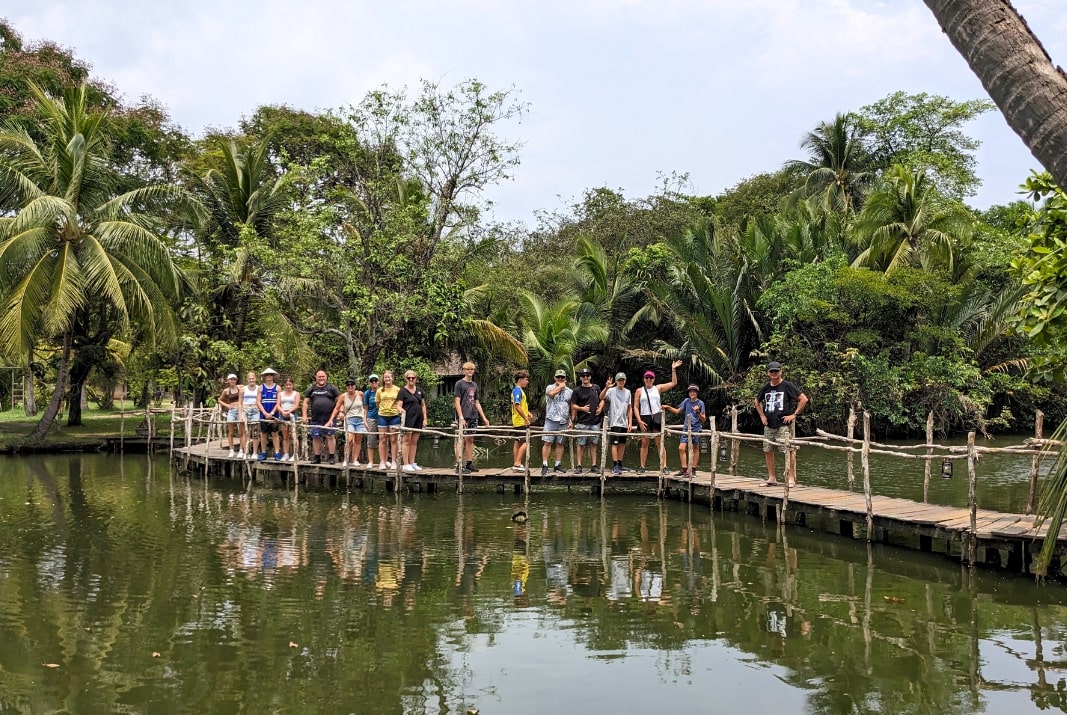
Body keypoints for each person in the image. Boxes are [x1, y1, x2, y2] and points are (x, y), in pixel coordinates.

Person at [755, 361, 808, 487]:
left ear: (781, 372)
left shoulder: (787, 385)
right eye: (772, 371)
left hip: (783, 424)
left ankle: (790, 478)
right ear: (768, 373)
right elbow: (757, 401)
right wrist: (762, 415)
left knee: (787, 450)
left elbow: (803, 399)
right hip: (769, 424)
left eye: (776, 371)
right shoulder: (766, 388)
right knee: (767, 450)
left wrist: (794, 414)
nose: (774, 374)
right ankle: (772, 477)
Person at [634, 360, 682, 474]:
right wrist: (639, 421)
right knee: (645, 442)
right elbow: (635, 407)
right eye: (647, 378)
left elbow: (673, 383)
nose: (649, 380)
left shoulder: (658, 388)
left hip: (656, 416)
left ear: (654, 379)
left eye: (651, 378)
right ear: (644, 379)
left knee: (659, 442)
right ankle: (642, 466)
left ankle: (664, 466)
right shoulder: (639, 391)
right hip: (644, 417)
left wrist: (673, 369)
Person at [454, 361, 490, 474]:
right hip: (463, 415)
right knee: (461, 440)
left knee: (470, 439)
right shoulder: (459, 384)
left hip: (473, 415)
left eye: (471, 369)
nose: (470, 371)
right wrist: (461, 417)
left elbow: (477, 402)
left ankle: (469, 463)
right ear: (464, 370)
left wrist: (484, 417)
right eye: (467, 369)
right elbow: (457, 401)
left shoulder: (474, 385)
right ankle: (459, 464)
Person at [664, 384, 706, 477]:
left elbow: (703, 419)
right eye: (691, 391)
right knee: (681, 448)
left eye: (694, 391)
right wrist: (668, 407)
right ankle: (684, 469)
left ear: (697, 393)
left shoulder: (700, 403)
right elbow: (678, 411)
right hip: (686, 428)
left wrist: (698, 412)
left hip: (696, 428)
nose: (692, 393)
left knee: (695, 448)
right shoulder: (686, 401)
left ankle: (693, 469)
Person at [302, 369, 340, 464]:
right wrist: (304, 415)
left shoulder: (332, 388)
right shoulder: (311, 389)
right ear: (316, 377)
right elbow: (305, 403)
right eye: (319, 376)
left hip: (330, 418)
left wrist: (341, 412)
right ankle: (317, 457)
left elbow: (340, 401)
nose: (321, 378)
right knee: (316, 436)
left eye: (323, 376)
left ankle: (331, 457)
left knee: (330, 436)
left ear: (326, 377)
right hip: (316, 418)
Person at [569, 367, 603, 474]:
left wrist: (600, 408)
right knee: (581, 443)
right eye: (583, 376)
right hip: (582, 421)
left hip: (595, 421)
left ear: (590, 377)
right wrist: (582, 409)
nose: (585, 378)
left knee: (594, 443)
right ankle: (579, 465)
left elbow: (602, 399)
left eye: (587, 375)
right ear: (580, 378)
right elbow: (573, 405)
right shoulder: (577, 390)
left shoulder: (596, 388)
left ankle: (594, 465)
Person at [540, 369, 572, 476]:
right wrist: (560, 386)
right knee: (547, 442)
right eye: (558, 377)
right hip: (551, 419)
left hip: (563, 421)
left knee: (560, 443)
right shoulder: (550, 387)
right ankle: (545, 464)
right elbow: (550, 394)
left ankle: (557, 465)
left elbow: (571, 406)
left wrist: (571, 420)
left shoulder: (570, 391)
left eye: (562, 377)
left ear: (565, 379)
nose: (560, 379)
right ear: (555, 378)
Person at [600, 372, 633, 475]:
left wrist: (630, 422)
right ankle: (615, 466)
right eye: (619, 380)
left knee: (622, 444)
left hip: (624, 422)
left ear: (625, 380)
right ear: (616, 381)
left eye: (623, 380)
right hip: (614, 422)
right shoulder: (611, 391)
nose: (621, 382)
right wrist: (606, 387)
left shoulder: (628, 392)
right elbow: (601, 397)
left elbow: (629, 408)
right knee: (615, 444)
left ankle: (620, 463)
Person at [331, 378, 367, 467]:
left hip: (360, 419)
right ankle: (346, 459)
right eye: (348, 385)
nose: (350, 387)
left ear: (355, 386)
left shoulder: (360, 394)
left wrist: (365, 419)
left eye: (352, 385)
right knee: (349, 439)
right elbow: (337, 407)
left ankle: (355, 460)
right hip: (349, 419)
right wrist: (332, 418)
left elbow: (365, 406)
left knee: (358, 440)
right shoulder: (343, 396)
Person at [398, 370, 428, 472]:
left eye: (413, 378)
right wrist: (401, 410)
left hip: (418, 418)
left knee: (414, 442)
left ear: (415, 379)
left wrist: (425, 418)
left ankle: (412, 462)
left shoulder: (419, 390)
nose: (411, 379)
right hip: (408, 419)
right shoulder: (402, 391)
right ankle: (405, 463)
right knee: (406, 441)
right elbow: (398, 405)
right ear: (406, 379)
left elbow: (423, 405)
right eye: (409, 378)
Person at [375, 370, 402, 469]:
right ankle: (382, 461)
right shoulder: (380, 390)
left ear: (392, 378)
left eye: (389, 377)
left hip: (394, 416)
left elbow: (400, 402)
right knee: (382, 439)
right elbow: (377, 403)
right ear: (383, 379)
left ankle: (394, 461)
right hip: (382, 416)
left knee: (394, 439)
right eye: (385, 377)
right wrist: (384, 410)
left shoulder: (397, 389)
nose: (387, 379)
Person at [256, 368, 282, 461]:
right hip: (264, 414)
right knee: (263, 434)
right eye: (267, 375)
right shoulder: (261, 388)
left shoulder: (278, 388)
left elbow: (278, 402)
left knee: (275, 433)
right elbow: (258, 402)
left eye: (271, 375)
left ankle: (277, 453)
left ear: (273, 376)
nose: (269, 377)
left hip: (274, 414)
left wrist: (271, 413)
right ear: (264, 377)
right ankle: (263, 452)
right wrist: (265, 413)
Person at [510, 370, 532, 471]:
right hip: (520, 421)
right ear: (520, 380)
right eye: (526, 379)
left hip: (518, 420)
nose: (527, 382)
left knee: (518, 442)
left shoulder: (519, 391)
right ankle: (518, 463)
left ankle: (516, 463)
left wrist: (527, 413)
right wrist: (526, 418)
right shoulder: (517, 390)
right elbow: (517, 406)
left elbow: (521, 406)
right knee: (526, 441)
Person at [277, 376, 301, 462]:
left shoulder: (296, 393)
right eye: (286, 385)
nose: (288, 386)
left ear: (292, 385)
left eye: (290, 384)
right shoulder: (280, 394)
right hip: (283, 414)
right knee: (285, 436)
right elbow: (278, 405)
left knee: (293, 435)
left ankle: (295, 454)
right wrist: (283, 412)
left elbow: (296, 405)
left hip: (292, 414)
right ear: (284, 385)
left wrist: (289, 412)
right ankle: (286, 454)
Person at [218, 373, 241, 457]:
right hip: (231, 410)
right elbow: (220, 400)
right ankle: (231, 450)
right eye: (231, 379)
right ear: (228, 381)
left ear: (236, 380)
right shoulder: (226, 391)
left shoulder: (240, 387)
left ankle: (241, 450)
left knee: (241, 432)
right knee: (231, 432)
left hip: (240, 410)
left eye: (234, 379)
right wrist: (227, 405)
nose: (232, 381)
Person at [238, 371, 260, 459]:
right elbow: (239, 402)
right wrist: (240, 414)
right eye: (250, 379)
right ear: (247, 379)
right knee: (244, 432)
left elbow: (260, 401)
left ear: (255, 379)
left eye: (253, 378)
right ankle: (245, 451)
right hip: (245, 410)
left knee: (255, 432)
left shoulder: (259, 388)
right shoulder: (243, 389)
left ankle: (254, 452)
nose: (251, 380)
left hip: (255, 410)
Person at [364, 374, 380, 463]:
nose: (374, 382)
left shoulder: (382, 391)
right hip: (371, 418)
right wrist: (365, 420)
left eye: (375, 380)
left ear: (378, 381)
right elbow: (365, 407)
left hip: (382, 417)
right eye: (372, 381)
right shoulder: (367, 393)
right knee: (371, 440)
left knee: (383, 439)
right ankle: (370, 461)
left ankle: (384, 461)